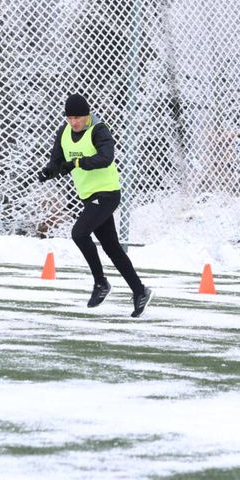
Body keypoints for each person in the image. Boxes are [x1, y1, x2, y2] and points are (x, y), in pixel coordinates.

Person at [38, 93, 152, 317]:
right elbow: (58, 161)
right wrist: (49, 171)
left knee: (79, 233)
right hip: (89, 197)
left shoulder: (99, 130)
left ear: (87, 115)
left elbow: (105, 157)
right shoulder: (64, 133)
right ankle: (140, 291)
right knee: (112, 248)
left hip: (107, 193)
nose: (74, 122)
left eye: (78, 117)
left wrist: (77, 162)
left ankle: (101, 283)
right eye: (70, 118)